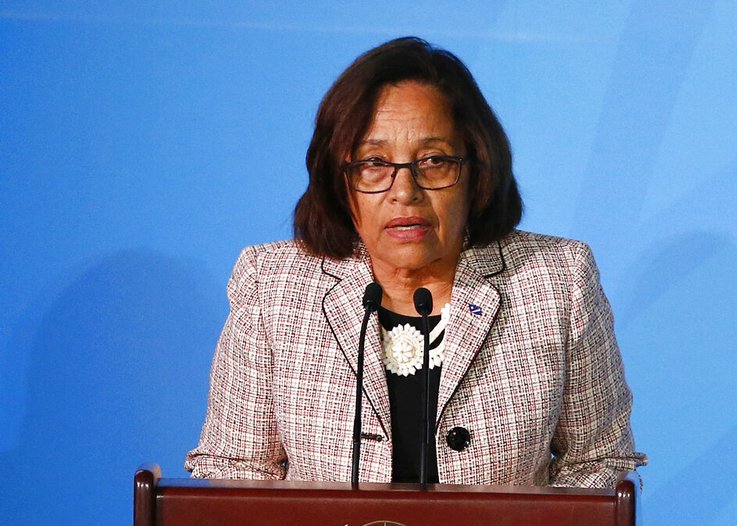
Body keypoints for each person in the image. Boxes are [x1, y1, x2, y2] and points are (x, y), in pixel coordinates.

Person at [185, 36, 646, 487]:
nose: (404, 191)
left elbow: (596, 464)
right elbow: (239, 472)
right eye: (373, 163)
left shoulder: (556, 279)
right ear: (339, 181)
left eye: (433, 160)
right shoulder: (274, 286)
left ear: (477, 171)